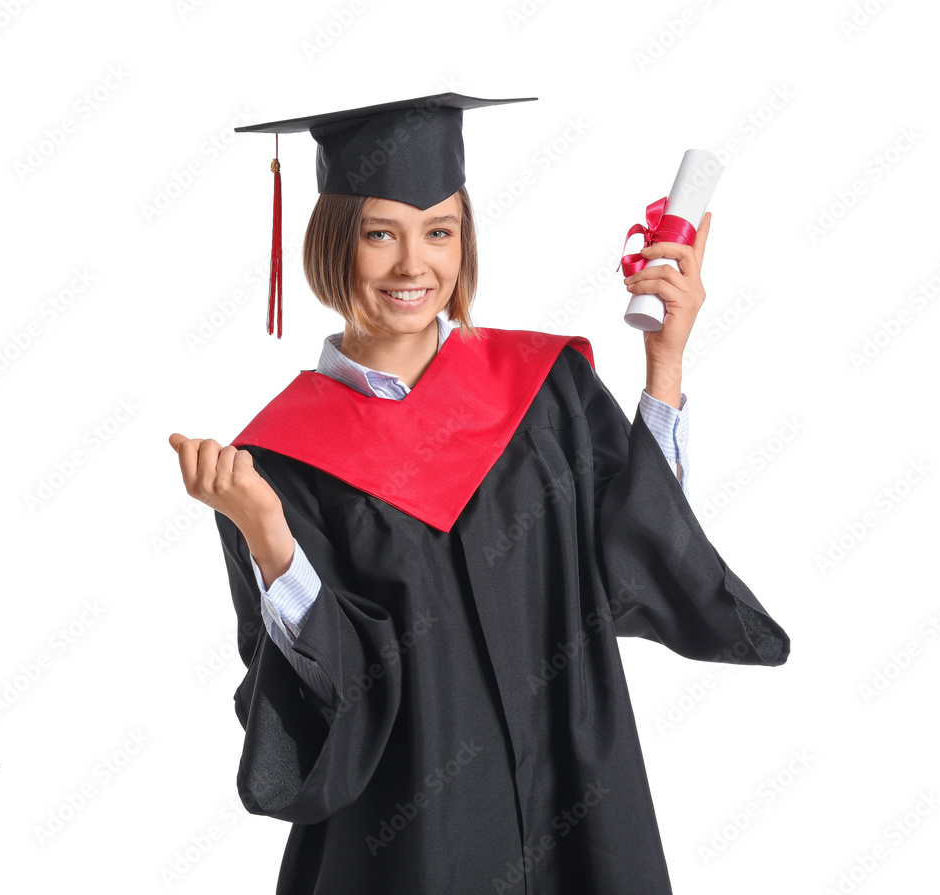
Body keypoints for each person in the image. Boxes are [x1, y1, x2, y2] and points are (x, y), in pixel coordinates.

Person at [169, 93, 789, 894]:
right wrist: (268, 536)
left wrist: (664, 368)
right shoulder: (279, 463)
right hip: (414, 841)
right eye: (379, 233)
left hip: (580, 805)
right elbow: (326, 696)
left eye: (439, 231)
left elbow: (630, 560)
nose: (413, 265)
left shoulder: (544, 389)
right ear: (333, 243)